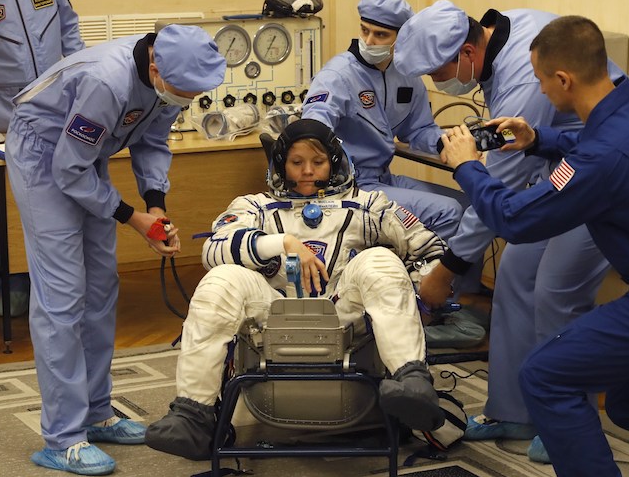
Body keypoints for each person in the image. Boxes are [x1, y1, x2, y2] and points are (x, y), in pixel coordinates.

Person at [438, 15, 629, 477]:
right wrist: (538, 139)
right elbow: (593, 140)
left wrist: (467, 166)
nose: (540, 89)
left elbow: (514, 219)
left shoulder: (601, 160)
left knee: (545, 374)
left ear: (563, 79)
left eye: (540, 79)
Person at [394, 0, 626, 462]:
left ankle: (568, 425)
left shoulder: (522, 75)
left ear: (466, 52)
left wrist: (446, 271)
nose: (438, 83)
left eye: (438, 73)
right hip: (561, 169)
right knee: (517, 276)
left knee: (557, 292)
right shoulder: (503, 29)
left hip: (603, 176)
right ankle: (515, 411)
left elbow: (497, 189)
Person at [145, 118, 447, 460]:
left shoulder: (368, 205)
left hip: (345, 314)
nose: (307, 171)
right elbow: (213, 251)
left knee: (380, 260)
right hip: (271, 314)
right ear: (280, 165)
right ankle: (193, 416)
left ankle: (412, 382)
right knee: (220, 280)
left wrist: (417, 290)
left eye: (318, 162)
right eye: (296, 162)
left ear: (334, 163)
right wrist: (283, 242)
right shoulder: (254, 206)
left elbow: (431, 250)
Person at [5, 24, 226, 475]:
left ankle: (97, 412)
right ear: (155, 66)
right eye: (183, 92)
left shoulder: (170, 79)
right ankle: (63, 438)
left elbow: (153, 140)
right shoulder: (107, 81)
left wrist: (155, 206)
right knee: (63, 295)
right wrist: (130, 216)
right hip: (42, 154)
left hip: (84, 157)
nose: (186, 99)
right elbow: (67, 170)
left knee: (102, 285)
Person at [301, 0, 485, 295]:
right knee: (449, 212)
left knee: (473, 205)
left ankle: (466, 296)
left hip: (383, 179)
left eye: (381, 34)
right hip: (350, 186)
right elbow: (313, 128)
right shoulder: (338, 75)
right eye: (365, 30)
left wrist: (448, 142)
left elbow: (419, 130)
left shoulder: (407, 75)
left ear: (401, 38)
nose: (369, 41)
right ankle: (434, 297)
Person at [0, 0, 85, 317]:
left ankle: (63, 284)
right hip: (3, 116)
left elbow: (69, 30)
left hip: (56, 106)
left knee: (60, 199)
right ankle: (15, 284)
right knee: (8, 207)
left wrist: (85, 77)